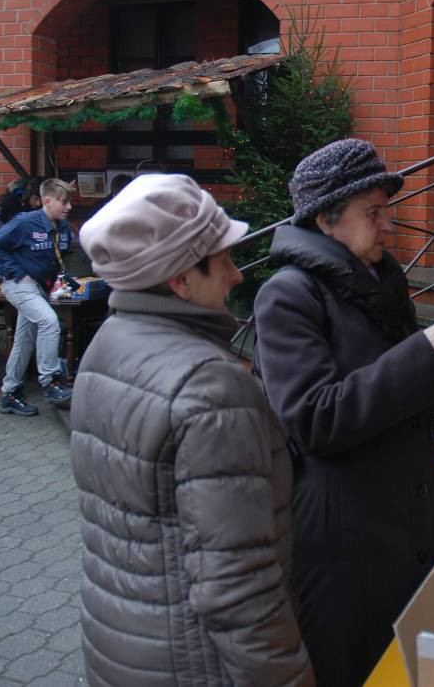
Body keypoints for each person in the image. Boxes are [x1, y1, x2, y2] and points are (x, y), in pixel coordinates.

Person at [252, 138, 434, 687]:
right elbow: (314, 418)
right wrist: (427, 346)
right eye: (374, 213)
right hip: (347, 549)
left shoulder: (374, 282)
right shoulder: (288, 296)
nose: (388, 225)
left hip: (407, 530)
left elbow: (410, 396)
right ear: (327, 219)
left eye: (387, 210)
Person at [71, 174, 313, 686]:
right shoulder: (210, 386)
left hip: (123, 645)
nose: (236, 275)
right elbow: (237, 585)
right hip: (194, 664)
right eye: (223, 260)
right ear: (181, 279)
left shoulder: (108, 343)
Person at [0, 178, 75, 416]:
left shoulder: (62, 226)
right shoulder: (25, 222)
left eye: (69, 202)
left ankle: (10, 393)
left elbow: (69, 251)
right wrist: (16, 273)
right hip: (20, 285)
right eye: (64, 202)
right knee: (49, 322)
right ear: (47, 201)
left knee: (24, 340)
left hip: (41, 287)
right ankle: (52, 381)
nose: (68, 207)